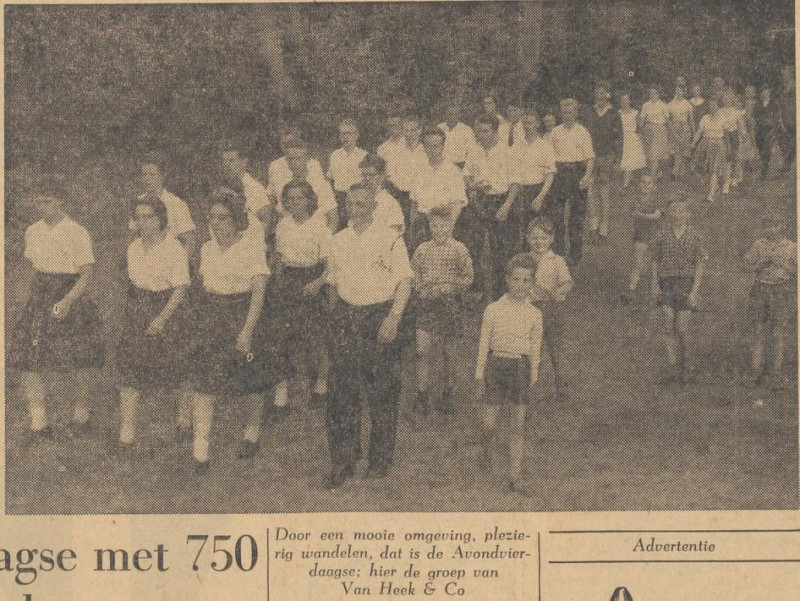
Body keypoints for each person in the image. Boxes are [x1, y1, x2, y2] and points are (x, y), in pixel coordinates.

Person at [324, 183, 413, 488]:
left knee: (382, 391)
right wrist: (333, 321)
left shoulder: (390, 239)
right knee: (341, 393)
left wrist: (393, 318)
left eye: (361, 204)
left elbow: (404, 282)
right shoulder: (337, 241)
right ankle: (343, 460)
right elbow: (334, 285)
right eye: (350, 204)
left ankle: (379, 459)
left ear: (374, 208)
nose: (354, 210)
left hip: (380, 316)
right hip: (347, 317)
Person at [189, 188, 284, 473]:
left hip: (245, 313)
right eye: (213, 218)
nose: (217, 224)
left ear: (237, 220)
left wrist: (246, 331)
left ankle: (251, 434)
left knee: (250, 381)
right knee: (205, 383)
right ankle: (200, 449)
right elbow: (205, 287)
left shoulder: (251, 245)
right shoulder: (206, 248)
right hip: (214, 317)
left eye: (223, 218)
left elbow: (258, 291)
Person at [10, 189, 104, 439]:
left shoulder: (77, 231)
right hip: (41, 294)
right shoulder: (33, 230)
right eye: (38, 201)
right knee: (29, 356)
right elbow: (34, 269)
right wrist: (29, 299)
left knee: (81, 358)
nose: (43, 206)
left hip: (70, 291)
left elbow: (86, 273)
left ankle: (81, 417)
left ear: (60, 201)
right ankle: (39, 421)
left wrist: (68, 300)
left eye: (48, 201)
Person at [117, 196, 191, 452]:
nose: (143, 223)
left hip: (168, 308)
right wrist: (138, 313)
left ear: (160, 219)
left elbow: (180, 288)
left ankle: (184, 419)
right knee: (130, 368)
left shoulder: (174, 248)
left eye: (148, 217)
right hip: (139, 308)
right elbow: (134, 285)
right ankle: (127, 432)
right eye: (138, 217)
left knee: (178, 369)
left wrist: (161, 318)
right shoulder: (133, 247)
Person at [475, 254, 543, 496]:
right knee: (488, 424)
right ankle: (486, 453)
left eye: (526, 281)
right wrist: (480, 373)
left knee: (517, 426)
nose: (520, 285)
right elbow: (484, 342)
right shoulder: (493, 310)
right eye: (516, 279)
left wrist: (532, 372)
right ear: (507, 280)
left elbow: (535, 345)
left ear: (532, 283)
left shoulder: (535, 314)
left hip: (520, 368)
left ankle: (515, 474)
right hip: (495, 366)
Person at [410, 205, 474, 422]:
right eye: (434, 226)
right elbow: (413, 275)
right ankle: (422, 395)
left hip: (449, 305)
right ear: (429, 226)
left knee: (449, 353)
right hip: (427, 305)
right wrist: (420, 288)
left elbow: (468, 278)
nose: (438, 230)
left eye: (443, 225)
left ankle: (448, 393)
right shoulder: (422, 250)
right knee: (421, 351)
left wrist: (449, 286)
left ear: (451, 225)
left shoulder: (459, 249)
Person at [273, 180, 333, 408]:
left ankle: (321, 384)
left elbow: (330, 264)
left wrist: (318, 283)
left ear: (309, 200)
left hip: (312, 281)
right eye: (291, 199)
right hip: (288, 280)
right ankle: (282, 390)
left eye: (300, 198)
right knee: (282, 336)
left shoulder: (320, 227)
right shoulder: (283, 225)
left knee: (315, 336)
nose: (295, 203)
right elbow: (279, 258)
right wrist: (279, 281)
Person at [462, 114, 521, 298]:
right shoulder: (473, 150)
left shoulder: (507, 152)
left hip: (501, 201)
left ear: (496, 131)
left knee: (501, 251)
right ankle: (477, 289)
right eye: (478, 131)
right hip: (479, 201)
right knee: (473, 246)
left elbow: (516, 182)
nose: (480, 135)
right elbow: (466, 176)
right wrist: (473, 187)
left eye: (485, 131)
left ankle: (500, 293)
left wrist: (506, 206)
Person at [651, 200, 708, 384]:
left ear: (688, 214)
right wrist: (655, 284)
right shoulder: (662, 236)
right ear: (669, 213)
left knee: (682, 329)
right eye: (673, 211)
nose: (677, 214)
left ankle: (686, 365)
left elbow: (700, 263)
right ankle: (672, 367)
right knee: (668, 325)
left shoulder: (695, 236)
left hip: (686, 284)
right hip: (666, 283)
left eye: (681, 211)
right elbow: (655, 261)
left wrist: (694, 291)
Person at [519, 217, 573, 401]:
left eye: (543, 238)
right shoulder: (524, 261)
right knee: (529, 350)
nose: (539, 242)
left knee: (556, 350)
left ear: (551, 239)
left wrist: (558, 291)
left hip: (551, 311)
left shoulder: (556, 261)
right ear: (528, 239)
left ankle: (561, 388)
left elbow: (567, 282)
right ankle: (525, 389)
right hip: (529, 310)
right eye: (534, 238)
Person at [743, 214, 797, 391]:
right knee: (757, 329)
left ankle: (776, 372)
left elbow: (796, 270)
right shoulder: (759, 245)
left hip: (781, 290)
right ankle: (755, 370)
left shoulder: (791, 247)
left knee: (778, 332)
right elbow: (745, 265)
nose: (771, 230)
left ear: (782, 226)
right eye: (767, 226)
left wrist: (784, 265)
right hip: (760, 289)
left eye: (774, 226)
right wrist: (760, 264)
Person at [546, 98, 595, 265]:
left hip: (577, 172)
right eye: (565, 112)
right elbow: (548, 156)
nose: (568, 115)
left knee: (577, 215)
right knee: (557, 215)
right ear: (561, 113)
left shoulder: (583, 132)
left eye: (571, 112)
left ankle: (575, 252)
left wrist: (587, 176)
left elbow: (589, 158)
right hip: (559, 173)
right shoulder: (555, 132)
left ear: (576, 113)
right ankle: (558, 250)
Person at [408, 126, 468, 252]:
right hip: (423, 223)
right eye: (428, 146)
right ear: (423, 147)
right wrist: (413, 227)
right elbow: (414, 203)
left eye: (436, 146)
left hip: (444, 224)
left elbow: (457, 204)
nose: (432, 150)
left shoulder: (453, 171)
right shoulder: (419, 170)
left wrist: (447, 230)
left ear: (442, 146)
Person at [582, 81, 623, 244]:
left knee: (604, 193)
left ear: (607, 95)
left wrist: (617, 159)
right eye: (597, 92)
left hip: (606, 157)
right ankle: (593, 226)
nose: (599, 96)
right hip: (590, 157)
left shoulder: (614, 113)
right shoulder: (589, 112)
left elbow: (619, 138)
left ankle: (604, 229)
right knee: (590, 193)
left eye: (602, 93)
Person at [135, 151, 197, 259]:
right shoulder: (139, 202)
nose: (147, 179)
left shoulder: (176, 204)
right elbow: (134, 237)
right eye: (144, 174)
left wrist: (178, 266)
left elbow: (189, 242)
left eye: (152, 174)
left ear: (163, 176)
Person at [269, 138, 338, 229]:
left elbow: (333, 218)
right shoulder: (281, 183)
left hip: (315, 232)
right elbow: (273, 203)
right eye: (290, 159)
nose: (294, 163)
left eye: (298, 158)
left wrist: (325, 240)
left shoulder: (320, 183)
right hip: (288, 231)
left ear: (306, 159)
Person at [511, 109, 556, 237]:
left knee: (539, 231)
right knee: (522, 231)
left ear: (537, 124)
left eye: (530, 123)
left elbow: (550, 174)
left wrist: (541, 197)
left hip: (538, 191)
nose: (527, 126)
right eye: (524, 123)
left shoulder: (545, 146)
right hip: (519, 191)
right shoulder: (516, 146)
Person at [621, 174, 662, 306]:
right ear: (639, 184)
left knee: (654, 264)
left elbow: (657, 215)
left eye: (649, 183)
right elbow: (633, 213)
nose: (645, 185)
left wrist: (643, 215)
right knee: (638, 263)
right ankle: (631, 290)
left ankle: (655, 293)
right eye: (643, 182)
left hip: (654, 235)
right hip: (640, 235)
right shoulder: (635, 199)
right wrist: (646, 216)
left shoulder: (656, 199)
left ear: (653, 186)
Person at [220, 142, 274, 241]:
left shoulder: (254, 188)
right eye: (224, 161)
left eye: (231, 161)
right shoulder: (221, 187)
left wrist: (250, 244)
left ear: (243, 162)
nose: (226, 165)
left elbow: (267, 221)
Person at [327, 119, 367, 230]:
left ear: (356, 135)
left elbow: (367, 182)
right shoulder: (335, 155)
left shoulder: (363, 156)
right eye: (343, 133)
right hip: (338, 200)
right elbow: (330, 180)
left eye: (349, 133)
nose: (346, 137)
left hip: (356, 199)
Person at [692, 98, 729, 202]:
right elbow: (699, 132)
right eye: (710, 106)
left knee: (714, 169)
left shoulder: (723, 118)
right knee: (707, 170)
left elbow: (726, 135)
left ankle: (711, 193)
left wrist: (728, 148)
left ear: (718, 107)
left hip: (718, 145)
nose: (712, 108)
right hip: (705, 145)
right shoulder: (705, 118)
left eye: (714, 106)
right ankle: (715, 186)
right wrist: (693, 143)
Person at [359, 154, 405, 233]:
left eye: (371, 175)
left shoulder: (391, 204)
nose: (366, 179)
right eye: (364, 175)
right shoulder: (357, 200)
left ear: (382, 176)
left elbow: (393, 236)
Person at [639, 86, 670, 179]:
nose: (653, 95)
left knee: (655, 154)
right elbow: (642, 119)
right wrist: (640, 130)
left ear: (658, 95)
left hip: (660, 130)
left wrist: (668, 133)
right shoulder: (646, 105)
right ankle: (655, 172)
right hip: (648, 129)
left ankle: (652, 179)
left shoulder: (663, 105)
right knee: (648, 155)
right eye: (651, 93)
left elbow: (667, 120)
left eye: (655, 93)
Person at [618, 93, 647, 188]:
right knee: (626, 161)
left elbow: (640, 127)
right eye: (623, 100)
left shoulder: (635, 113)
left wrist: (641, 137)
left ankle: (626, 184)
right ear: (620, 102)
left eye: (626, 100)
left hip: (633, 138)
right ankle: (628, 181)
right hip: (622, 138)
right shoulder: (618, 113)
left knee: (633, 160)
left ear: (630, 101)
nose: (625, 102)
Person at [667, 83, 695, 179]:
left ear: (684, 92)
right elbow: (668, 119)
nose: (679, 92)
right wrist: (670, 129)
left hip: (685, 127)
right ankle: (680, 170)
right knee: (676, 149)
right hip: (674, 127)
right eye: (677, 91)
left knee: (683, 148)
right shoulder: (670, 104)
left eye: (681, 91)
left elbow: (691, 119)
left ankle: (675, 171)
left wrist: (693, 132)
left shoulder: (687, 104)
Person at [438, 103, 477, 169]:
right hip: (442, 166)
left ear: (459, 115)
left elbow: (471, 151)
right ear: (446, 115)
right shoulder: (439, 128)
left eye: (455, 114)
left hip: (459, 166)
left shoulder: (466, 129)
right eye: (450, 114)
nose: (452, 117)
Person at [754, 87, 778, 180]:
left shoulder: (773, 104)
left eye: (766, 93)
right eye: (763, 93)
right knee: (760, 147)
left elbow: (776, 116)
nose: (764, 95)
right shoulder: (757, 104)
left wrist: (771, 123)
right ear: (761, 95)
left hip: (769, 130)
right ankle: (764, 163)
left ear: (769, 94)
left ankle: (765, 169)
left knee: (767, 149)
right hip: (759, 129)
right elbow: (754, 115)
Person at [777, 65, 796, 172]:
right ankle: (787, 161)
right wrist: (780, 118)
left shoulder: (795, 86)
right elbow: (780, 104)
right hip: (785, 118)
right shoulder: (782, 88)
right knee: (783, 141)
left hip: (794, 117)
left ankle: (789, 162)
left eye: (786, 74)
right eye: (782, 74)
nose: (784, 76)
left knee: (794, 140)